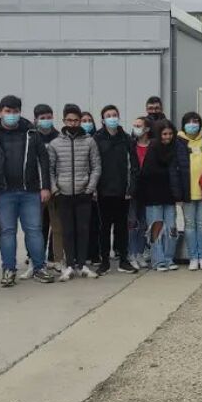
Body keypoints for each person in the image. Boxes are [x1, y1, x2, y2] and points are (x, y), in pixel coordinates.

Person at [0, 95, 54, 286]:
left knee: (34, 230)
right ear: (0, 112)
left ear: (20, 112)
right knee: (7, 232)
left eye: (15, 111)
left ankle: (39, 267)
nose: (11, 115)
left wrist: (45, 187)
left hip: (30, 192)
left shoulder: (31, 133)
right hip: (2, 193)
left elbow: (42, 160)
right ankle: (8, 269)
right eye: (8, 111)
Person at [48, 104, 102, 279]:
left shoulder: (89, 141)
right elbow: (50, 169)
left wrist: (90, 188)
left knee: (83, 230)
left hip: (83, 193)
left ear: (80, 121)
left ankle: (82, 264)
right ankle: (70, 264)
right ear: (64, 120)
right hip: (63, 194)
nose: (72, 123)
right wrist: (55, 190)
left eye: (76, 120)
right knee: (67, 231)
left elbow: (96, 166)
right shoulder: (55, 143)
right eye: (69, 120)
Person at [95, 105, 139, 275]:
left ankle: (123, 260)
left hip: (123, 191)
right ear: (103, 120)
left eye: (114, 115)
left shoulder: (126, 139)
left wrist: (131, 187)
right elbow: (93, 164)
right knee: (104, 227)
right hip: (103, 191)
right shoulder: (97, 138)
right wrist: (94, 189)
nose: (112, 118)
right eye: (108, 115)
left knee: (122, 227)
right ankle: (105, 261)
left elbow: (134, 166)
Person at [137, 120, 184, 271]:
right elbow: (146, 173)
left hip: (170, 195)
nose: (167, 137)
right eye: (164, 134)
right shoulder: (153, 148)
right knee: (155, 227)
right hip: (153, 195)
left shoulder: (176, 148)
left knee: (171, 227)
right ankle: (158, 260)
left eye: (170, 134)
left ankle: (169, 258)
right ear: (159, 134)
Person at [177, 112, 202, 270]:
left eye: (195, 121)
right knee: (190, 225)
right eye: (189, 121)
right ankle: (193, 257)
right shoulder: (179, 141)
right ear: (184, 124)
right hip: (187, 192)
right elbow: (175, 168)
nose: (193, 124)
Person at [32, 103, 63, 277]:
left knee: (56, 226)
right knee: (36, 227)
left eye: (49, 117)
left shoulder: (58, 137)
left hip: (55, 188)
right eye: (42, 118)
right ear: (35, 119)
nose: (46, 120)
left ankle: (56, 258)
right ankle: (35, 259)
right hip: (35, 189)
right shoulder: (31, 137)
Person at [79, 110, 105, 272]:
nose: (87, 123)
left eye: (89, 120)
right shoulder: (75, 140)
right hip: (78, 186)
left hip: (95, 187)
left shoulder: (96, 139)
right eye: (84, 120)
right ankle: (81, 254)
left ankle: (95, 253)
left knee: (95, 223)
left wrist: (94, 187)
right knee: (81, 224)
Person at [128, 116, 154, 268]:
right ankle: (131, 253)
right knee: (132, 222)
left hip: (148, 190)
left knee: (144, 223)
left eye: (139, 125)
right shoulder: (131, 145)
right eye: (135, 125)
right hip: (133, 190)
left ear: (147, 129)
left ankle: (140, 252)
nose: (136, 128)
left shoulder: (153, 146)